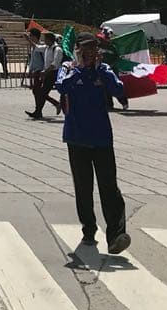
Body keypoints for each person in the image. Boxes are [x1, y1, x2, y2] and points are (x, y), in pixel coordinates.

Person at [55, 32, 130, 255]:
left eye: (93, 49)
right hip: (76, 136)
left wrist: (98, 70)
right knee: (83, 186)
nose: (89, 53)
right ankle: (88, 228)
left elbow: (118, 90)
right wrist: (80, 67)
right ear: (76, 49)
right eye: (84, 49)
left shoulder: (103, 70)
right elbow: (61, 87)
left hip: (101, 137)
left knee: (109, 187)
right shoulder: (68, 68)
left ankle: (116, 235)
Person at [25, 28, 60, 119]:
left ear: (50, 39)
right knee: (42, 92)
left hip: (53, 73)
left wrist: (44, 71)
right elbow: (37, 48)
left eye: (46, 39)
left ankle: (59, 105)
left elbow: (55, 64)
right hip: (46, 73)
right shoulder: (46, 47)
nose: (44, 41)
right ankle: (38, 112)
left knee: (42, 92)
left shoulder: (57, 49)